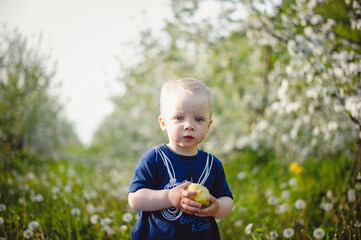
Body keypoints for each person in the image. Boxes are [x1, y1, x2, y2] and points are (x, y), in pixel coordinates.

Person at [128, 78, 233, 240]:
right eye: (179, 118)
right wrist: (169, 197)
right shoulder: (154, 158)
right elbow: (135, 198)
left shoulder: (212, 164)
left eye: (199, 119)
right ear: (163, 123)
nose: (189, 125)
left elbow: (227, 200)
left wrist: (217, 207)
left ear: (208, 126)